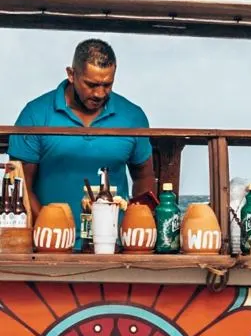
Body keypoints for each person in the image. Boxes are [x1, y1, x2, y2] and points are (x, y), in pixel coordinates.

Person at [8, 39, 156, 242]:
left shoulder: (132, 116)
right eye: (91, 84)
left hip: (115, 246)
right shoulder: (35, 114)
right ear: (71, 74)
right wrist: (51, 230)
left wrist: (136, 226)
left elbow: (144, 177)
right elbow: (21, 185)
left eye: (107, 84)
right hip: (49, 247)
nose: (100, 93)